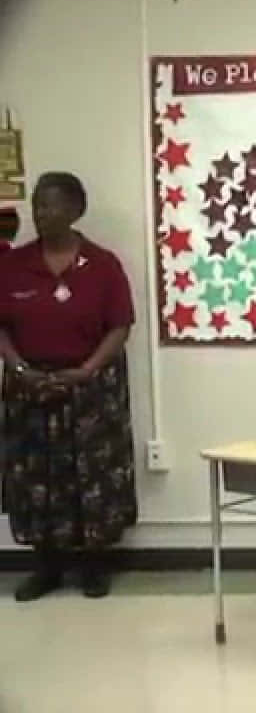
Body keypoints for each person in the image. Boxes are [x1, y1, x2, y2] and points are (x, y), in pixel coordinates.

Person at [0, 171, 136, 601]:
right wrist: (20, 369)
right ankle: (47, 567)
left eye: (52, 204)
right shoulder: (12, 264)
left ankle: (94, 564)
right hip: (30, 384)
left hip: (91, 384)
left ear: (76, 210)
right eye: (38, 204)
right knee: (36, 476)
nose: (42, 213)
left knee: (92, 475)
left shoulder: (103, 264)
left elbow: (119, 327)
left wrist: (87, 370)